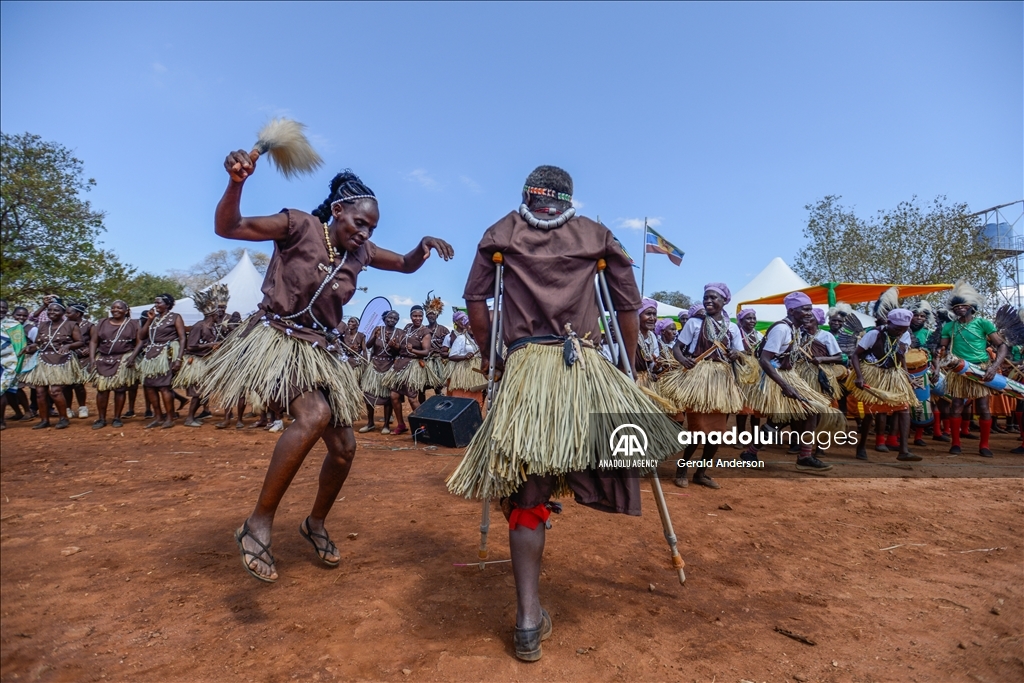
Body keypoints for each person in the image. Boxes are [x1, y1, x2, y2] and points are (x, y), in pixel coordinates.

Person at [446, 165, 679, 662]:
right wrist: (628, 367)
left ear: (527, 194)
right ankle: (535, 603)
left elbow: (475, 301)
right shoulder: (596, 235)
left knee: (527, 487)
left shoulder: (502, 232)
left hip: (528, 368)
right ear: (569, 197)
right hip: (583, 372)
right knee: (593, 452)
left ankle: (528, 621)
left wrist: (497, 358)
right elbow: (627, 309)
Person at [203, 151, 453, 583]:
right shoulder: (297, 224)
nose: (365, 233)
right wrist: (236, 183)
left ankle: (314, 522)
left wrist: (424, 246)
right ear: (338, 210)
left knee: (344, 450)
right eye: (360, 223)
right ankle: (259, 521)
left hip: (322, 349)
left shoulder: (363, 253)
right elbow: (229, 226)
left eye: (372, 228)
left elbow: (407, 264)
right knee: (314, 415)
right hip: (278, 338)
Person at [737, 292, 839, 471]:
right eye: (805, 309)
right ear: (792, 310)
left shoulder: (796, 329)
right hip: (776, 378)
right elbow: (765, 360)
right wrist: (785, 386)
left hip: (788, 375)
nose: (809, 312)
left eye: (810, 309)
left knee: (793, 416)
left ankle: (754, 453)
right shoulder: (782, 329)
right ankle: (799, 456)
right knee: (796, 414)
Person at [659, 283, 745, 489]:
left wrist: (736, 354)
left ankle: (701, 473)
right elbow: (677, 349)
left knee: (716, 434)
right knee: (697, 431)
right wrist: (683, 361)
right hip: (698, 381)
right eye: (706, 297)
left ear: (724, 301)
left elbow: (742, 355)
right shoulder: (694, 323)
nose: (708, 301)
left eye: (713, 297)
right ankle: (682, 469)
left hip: (721, 383)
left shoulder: (732, 327)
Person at [937, 281, 1008, 457]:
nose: (960, 308)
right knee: (956, 406)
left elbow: (1002, 346)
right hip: (959, 369)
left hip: (982, 369)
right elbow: (941, 348)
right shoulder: (949, 326)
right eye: (957, 306)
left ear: (972, 306)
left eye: (964, 305)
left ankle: (984, 446)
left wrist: (994, 366)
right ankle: (955, 444)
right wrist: (937, 359)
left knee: (983, 407)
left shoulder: (983, 323)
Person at [846, 309, 920, 461]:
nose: (900, 331)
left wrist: (907, 376)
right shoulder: (874, 334)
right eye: (897, 328)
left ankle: (903, 450)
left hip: (893, 374)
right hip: (873, 373)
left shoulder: (904, 335)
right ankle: (862, 445)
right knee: (870, 413)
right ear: (889, 323)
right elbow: (855, 355)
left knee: (904, 408)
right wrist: (859, 376)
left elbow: (901, 357)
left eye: (903, 329)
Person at [20, 297, 86, 430]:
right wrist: (29, 348)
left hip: (61, 360)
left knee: (55, 391)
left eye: (56, 310)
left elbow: (80, 342)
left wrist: (68, 346)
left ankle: (63, 418)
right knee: (39, 392)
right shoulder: (43, 325)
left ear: (62, 312)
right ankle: (44, 420)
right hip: (43, 360)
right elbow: (38, 343)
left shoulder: (71, 325)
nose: (52, 312)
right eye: (49, 310)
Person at [127, 295, 186, 429]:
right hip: (151, 356)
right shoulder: (153, 318)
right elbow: (142, 336)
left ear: (167, 304)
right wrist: (149, 320)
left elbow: (182, 338)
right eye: (155, 303)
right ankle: (158, 417)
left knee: (164, 387)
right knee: (149, 387)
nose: (155, 305)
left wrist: (178, 359)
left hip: (166, 355)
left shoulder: (175, 317)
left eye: (158, 303)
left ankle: (170, 418)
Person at [174, 285, 229, 427]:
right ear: (213, 315)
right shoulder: (199, 326)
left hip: (208, 363)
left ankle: (192, 417)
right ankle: (189, 418)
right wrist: (210, 345)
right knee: (198, 393)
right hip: (198, 363)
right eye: (218, 313)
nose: (220, 315)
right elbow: (190, 346)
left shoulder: (215, 327)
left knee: (202, 393)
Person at [88, 300, 141, 428]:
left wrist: (132, 357)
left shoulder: (133, 324)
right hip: (103, 359)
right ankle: (101, 419)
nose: (115, 310)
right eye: (113, 308)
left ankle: (117, 418)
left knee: (120, 389)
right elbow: (94, 342)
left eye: (119, 308)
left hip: (123, 358)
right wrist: (92, 359)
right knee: (102, 390)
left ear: (126, 310)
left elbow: (140, 342)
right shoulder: (102, 322)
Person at [382, 305, 432, 434]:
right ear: (410, 316)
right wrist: (394, 345)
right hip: (400, 364)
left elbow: (426, 352)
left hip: (413, 365)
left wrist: (413, 350)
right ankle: (401, 424)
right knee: (394, 395)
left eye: (420, 316)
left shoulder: (425, 331)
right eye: (415, 316)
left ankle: (424, 426)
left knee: (412, 398)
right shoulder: (407, 328)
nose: (417, 318)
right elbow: (400, 348)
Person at [360, 310, 400, 433]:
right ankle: (370, 423)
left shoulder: (399, 332)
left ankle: (386, 425)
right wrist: (374, 337)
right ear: (385, 318)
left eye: (395, 318)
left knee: (387, 397)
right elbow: (368, 345)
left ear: (397, 321)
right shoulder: (378, 329)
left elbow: (399, 351)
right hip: (375, 366)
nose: (392, 320)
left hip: (388, 367)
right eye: (390, 317)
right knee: (369, 394)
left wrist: (393, 345)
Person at [445, 310, 486, 409]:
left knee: (476, 397)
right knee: (461, 396)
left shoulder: (480, 339)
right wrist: (464, 356)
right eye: (469, 325)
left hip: (476, 374)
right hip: (463, 372)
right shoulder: (461, 338)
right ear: (466, 326)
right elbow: (451, 356)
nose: (472, 327)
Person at [1, 300, 27, 429]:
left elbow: (20, 347)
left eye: (4, 308)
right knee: (9, 392)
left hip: (8, 363)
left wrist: (17, 366)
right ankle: (19, 413)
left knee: (1, 391)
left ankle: (1, 421)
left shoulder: (14, 325)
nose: (1, 310)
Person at [63, 302, 93, 419]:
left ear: (78, 313)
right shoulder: (64, 325)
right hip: (67, 357)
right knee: (66, 384)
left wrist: (90, 350)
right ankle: (68, 408)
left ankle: (82, 407)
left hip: (82, 358)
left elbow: (95, 340)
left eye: (68, 313)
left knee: (78, 384)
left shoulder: (89, 325)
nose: (66, 315)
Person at [422, 294, 450, 397]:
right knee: (422, 386)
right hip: (425, 361)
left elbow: (448, 345)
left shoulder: (443, 330)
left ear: (437, 315)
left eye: (433, 314)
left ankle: (439, 403)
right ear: (426, 316)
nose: (431, 316)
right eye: (429, 314)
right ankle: (422, 409)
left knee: (437, 386)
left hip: (438, 361)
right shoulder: (423, 329)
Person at [341, 316, 368, 383]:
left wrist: (365, 365)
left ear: (357, 325)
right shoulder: (343, 335)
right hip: (344, 362)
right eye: (349, 321)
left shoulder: (361, 336)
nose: (349, 323)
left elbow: (364, 350)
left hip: (356, 364)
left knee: (354, 382)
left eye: (352, 322)